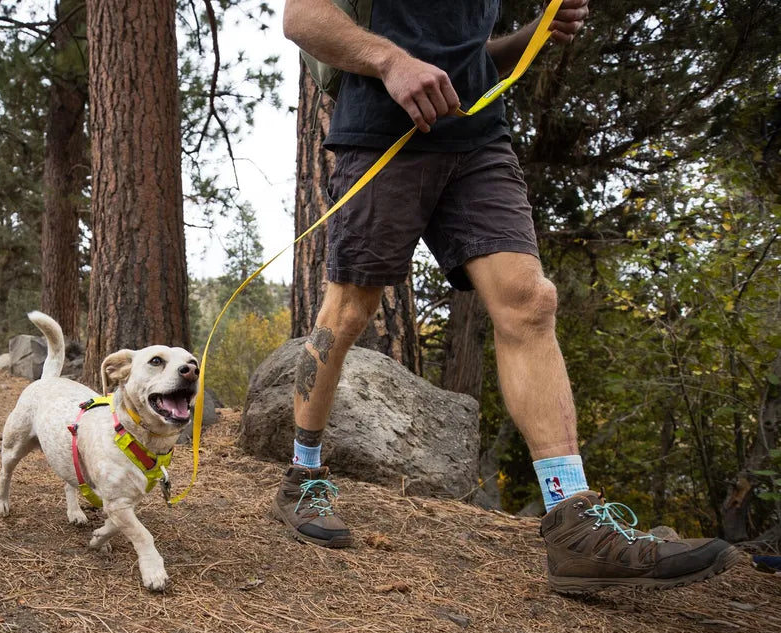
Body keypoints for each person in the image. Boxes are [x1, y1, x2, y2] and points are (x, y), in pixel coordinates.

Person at [272, 0, 741, 593]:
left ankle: (573, 523)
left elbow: (471, 57)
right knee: (348, 313)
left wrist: (532, 35)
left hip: (478, 138)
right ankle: (303, 477)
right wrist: (391, 62)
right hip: (381, 134)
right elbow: (302, 18)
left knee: (530, 301)